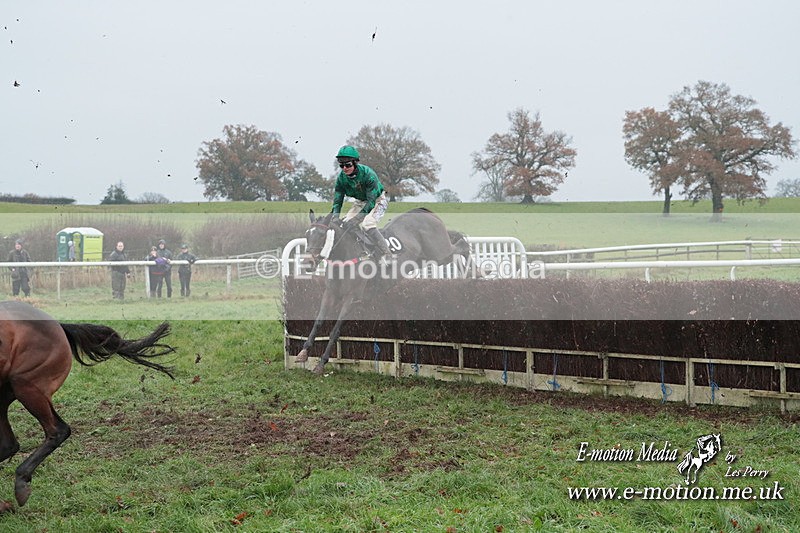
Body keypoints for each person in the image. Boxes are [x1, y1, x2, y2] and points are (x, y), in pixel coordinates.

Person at [331, 145, 392, 262]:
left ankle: (387, 254)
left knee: (367, 224)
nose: (344, 168)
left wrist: (357, 218)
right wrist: (335, 217)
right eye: (341, 165)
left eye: (348, 165)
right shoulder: (341, 179)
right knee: (346, 223)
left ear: (355, 163)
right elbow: (337, 201)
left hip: (378, 201)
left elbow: (371, 203)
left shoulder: (369, 175)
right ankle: (363, 250)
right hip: (360, 202)